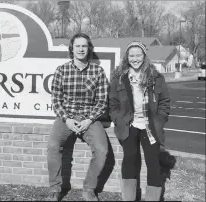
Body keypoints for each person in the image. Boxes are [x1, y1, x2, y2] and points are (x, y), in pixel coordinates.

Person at [46, 33, 110, 201]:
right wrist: (67, 119)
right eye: (78, 46)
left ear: (89, 49)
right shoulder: (62, 70)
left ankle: (89, 189)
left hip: (90, 117)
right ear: (72, 49)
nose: (81, 49)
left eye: (84, 46)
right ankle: (55, 189)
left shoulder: (97, 71)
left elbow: (102, 101)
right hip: (67, 116)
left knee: (102, 150)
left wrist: (89, 120)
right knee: (53, 146)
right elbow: (56, 99)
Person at [108, 41, 171, 201]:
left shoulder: (156, 77)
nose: (135, 58)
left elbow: (164, 102)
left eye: (138, 55)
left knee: (153, 162)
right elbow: (112, 103)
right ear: (127, 57)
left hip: (151, 126)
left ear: (144, 56)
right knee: (130, 158)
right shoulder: (119, 78)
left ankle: (152, 198)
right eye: (132, 55)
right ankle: (129, 197)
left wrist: (160, 120)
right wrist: (118, 120)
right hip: (129, 125)